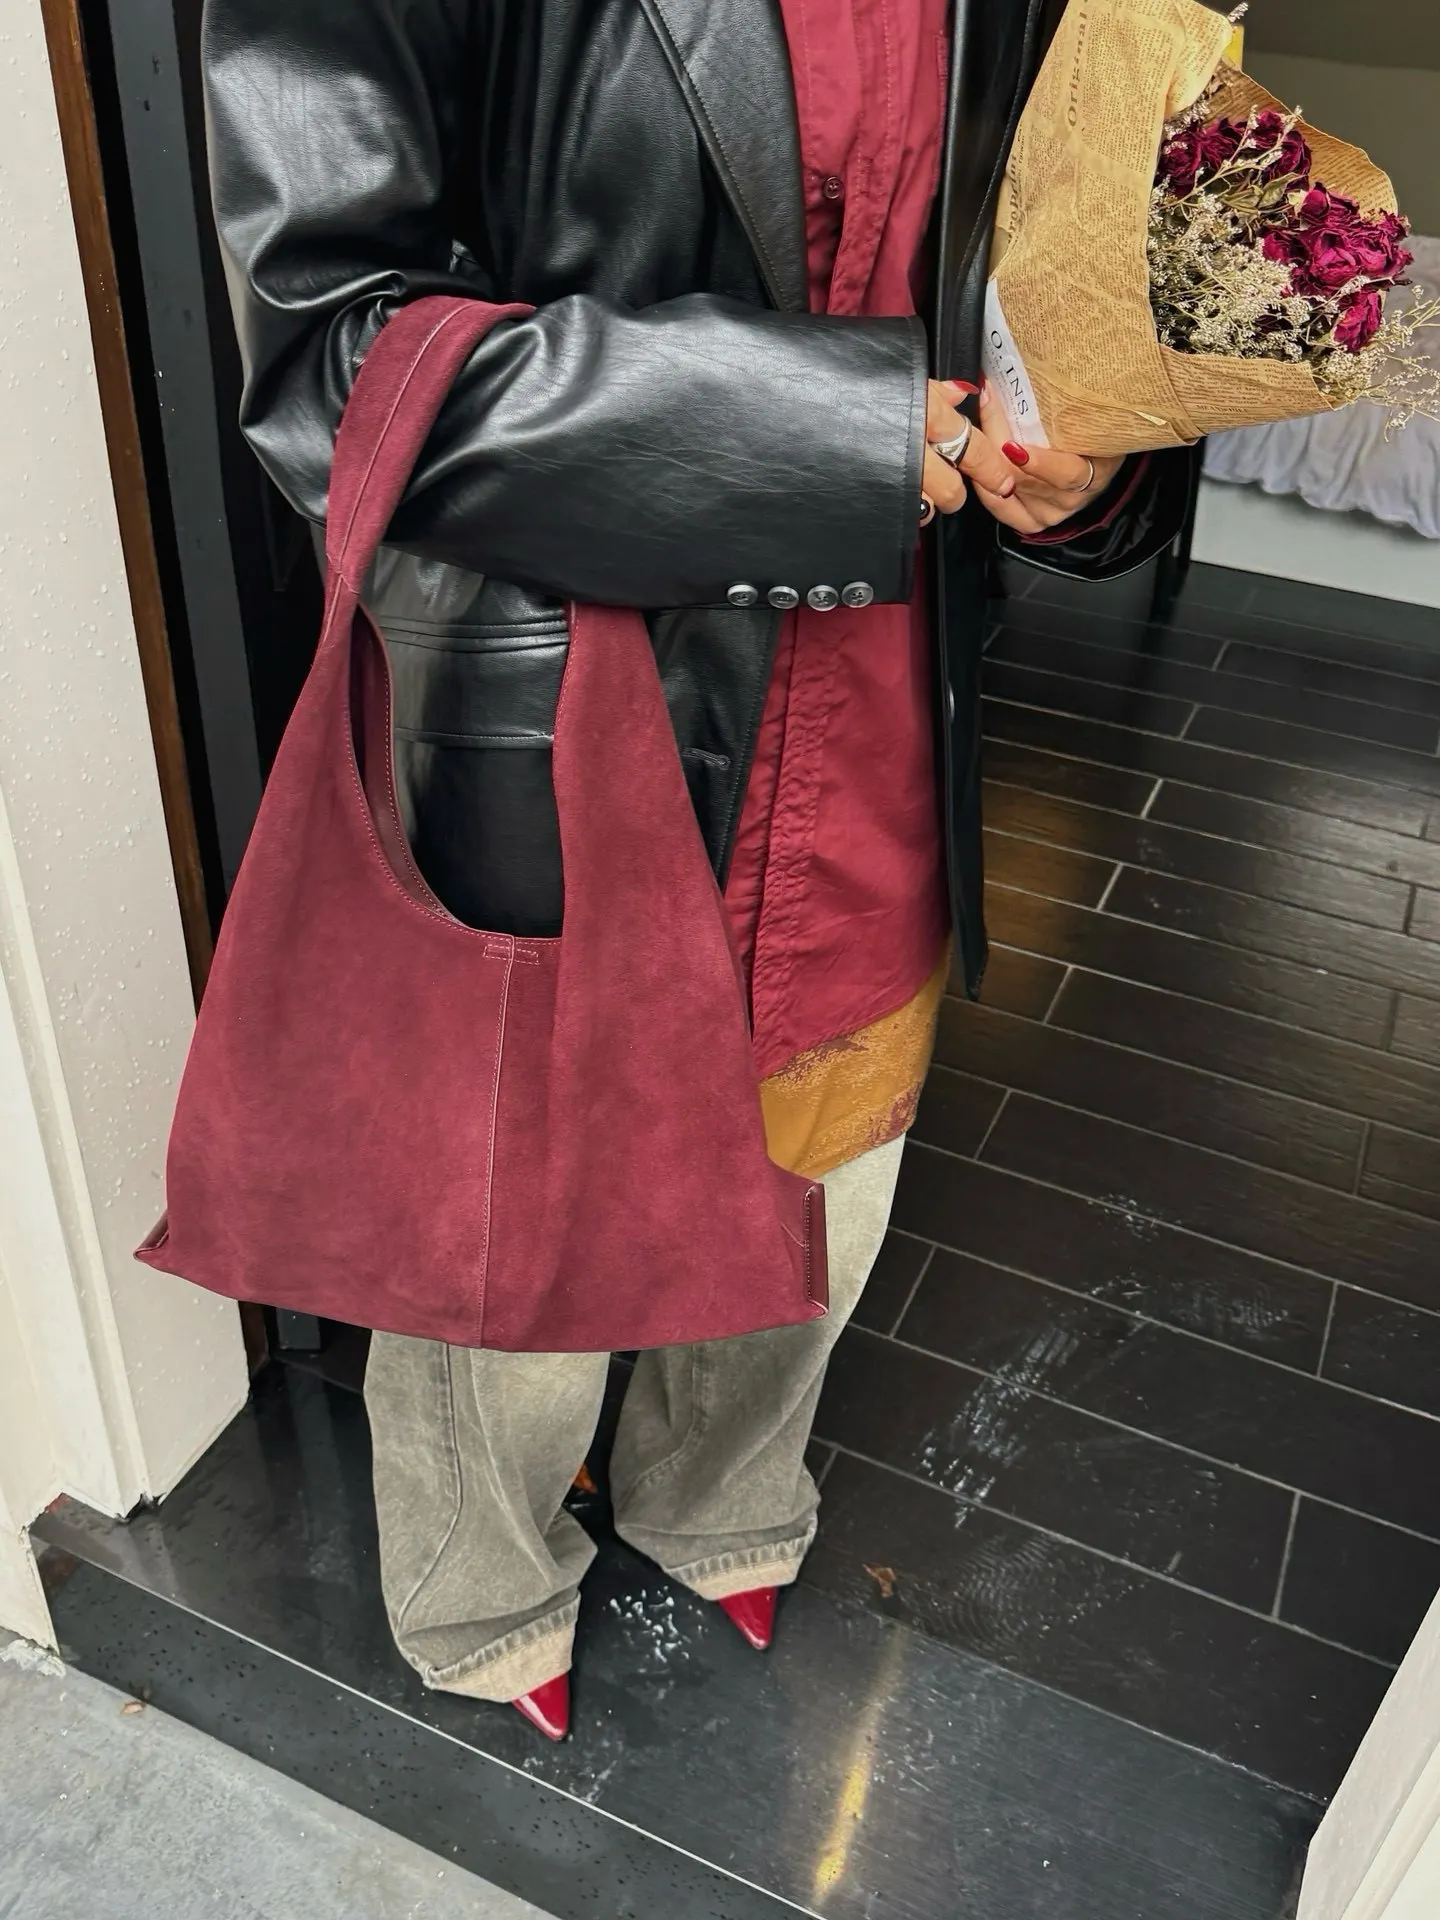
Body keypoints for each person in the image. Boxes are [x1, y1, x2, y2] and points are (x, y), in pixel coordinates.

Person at [202, 0, 1191, 1741]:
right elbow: (336, 360)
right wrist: (836, 435)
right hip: (571, 697)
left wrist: (1093, 452)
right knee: (523, 1210)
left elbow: (1028, 264)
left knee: (829, 1157)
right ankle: (487, 1577)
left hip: (883, 696)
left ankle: (718, 1491)